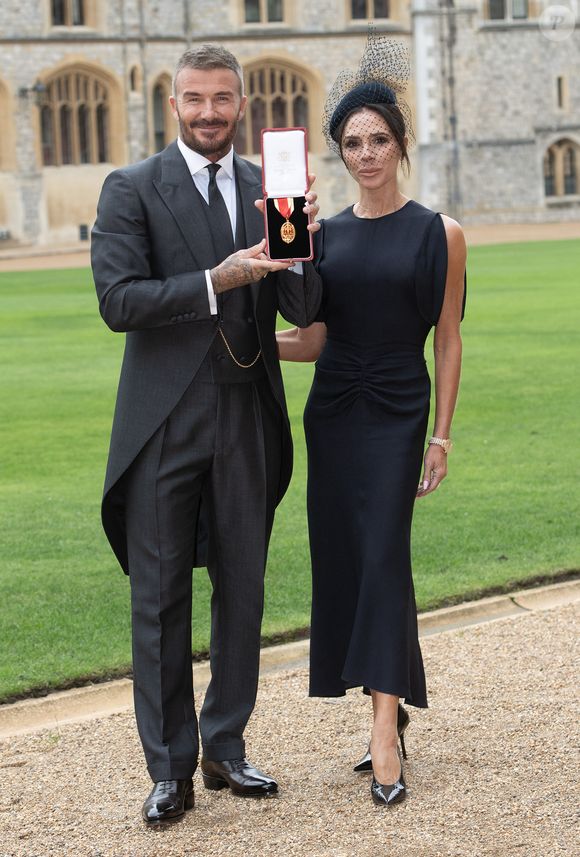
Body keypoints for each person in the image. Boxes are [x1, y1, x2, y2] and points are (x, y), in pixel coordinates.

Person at [91, 44, 321, 826]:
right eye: (195, 99)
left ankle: (225, 746)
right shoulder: (131, 188)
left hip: (246, 412)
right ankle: (170, 768)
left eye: (223, 99)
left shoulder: (268, 186)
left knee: (244, 589)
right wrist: (216, 281)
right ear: (175, 105)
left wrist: (301, 246)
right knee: (159, 597)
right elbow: (118, 300)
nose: (209, 113)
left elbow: (303, 308)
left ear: (241, 104)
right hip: (164, 419)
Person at [277, 36, 466, 807]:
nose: (366, 154)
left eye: (378, 140)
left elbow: (447, 338)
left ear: (400, 143)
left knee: (385, 552)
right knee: (354, 561)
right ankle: (390, 705)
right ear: (340, 153)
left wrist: (441, 434)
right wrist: (242, 340)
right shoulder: (322, 236)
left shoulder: (440, 233)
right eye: (353, 143)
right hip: (333, 414)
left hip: (397, 411)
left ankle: (384, 733)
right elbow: (313, 339)